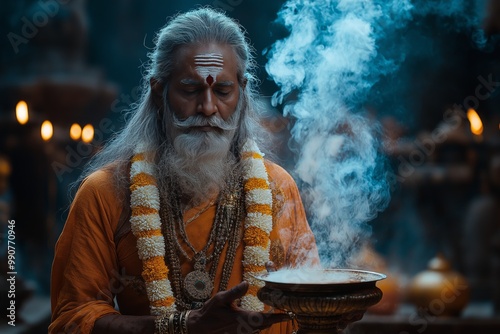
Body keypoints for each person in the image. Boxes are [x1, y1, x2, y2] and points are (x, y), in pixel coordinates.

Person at [49, 7, 319, 334]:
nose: (207, 108)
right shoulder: (106, 193)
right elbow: (73, 318)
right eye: (190, 90)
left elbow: (310, 307)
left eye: (222, 91)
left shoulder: (277, 189)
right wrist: (180, 327)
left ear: (242, 92)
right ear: (159, 92)